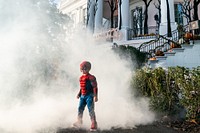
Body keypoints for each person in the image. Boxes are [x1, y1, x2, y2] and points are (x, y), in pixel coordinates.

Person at [73, 61, 98, 131]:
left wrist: (95, 96)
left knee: (91, 110)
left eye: (85, 69)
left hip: (89, 96)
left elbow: (95, 87)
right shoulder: (81, 78)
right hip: (82, 96)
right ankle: (79, 121)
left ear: (88, 69)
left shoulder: (91, 77)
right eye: (83, 69)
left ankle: (94, 123)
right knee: (80, 108)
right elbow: (82, 87)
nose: (84, 70)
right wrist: (79, 94)